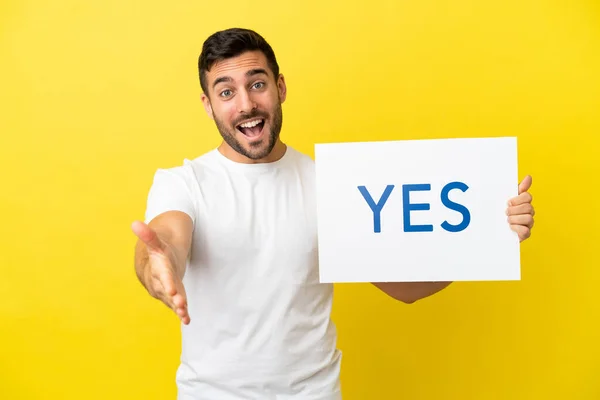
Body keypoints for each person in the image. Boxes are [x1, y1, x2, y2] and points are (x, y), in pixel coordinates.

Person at [131, 27, 535, 400]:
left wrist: (486, 237)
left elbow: (404, 288)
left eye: (257, 84)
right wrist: (158, 264)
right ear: (208, 105)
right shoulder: (183, 182)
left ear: (280, 87)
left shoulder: (332, 184)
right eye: (226, 92)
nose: (246, 104)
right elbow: (167, 238)